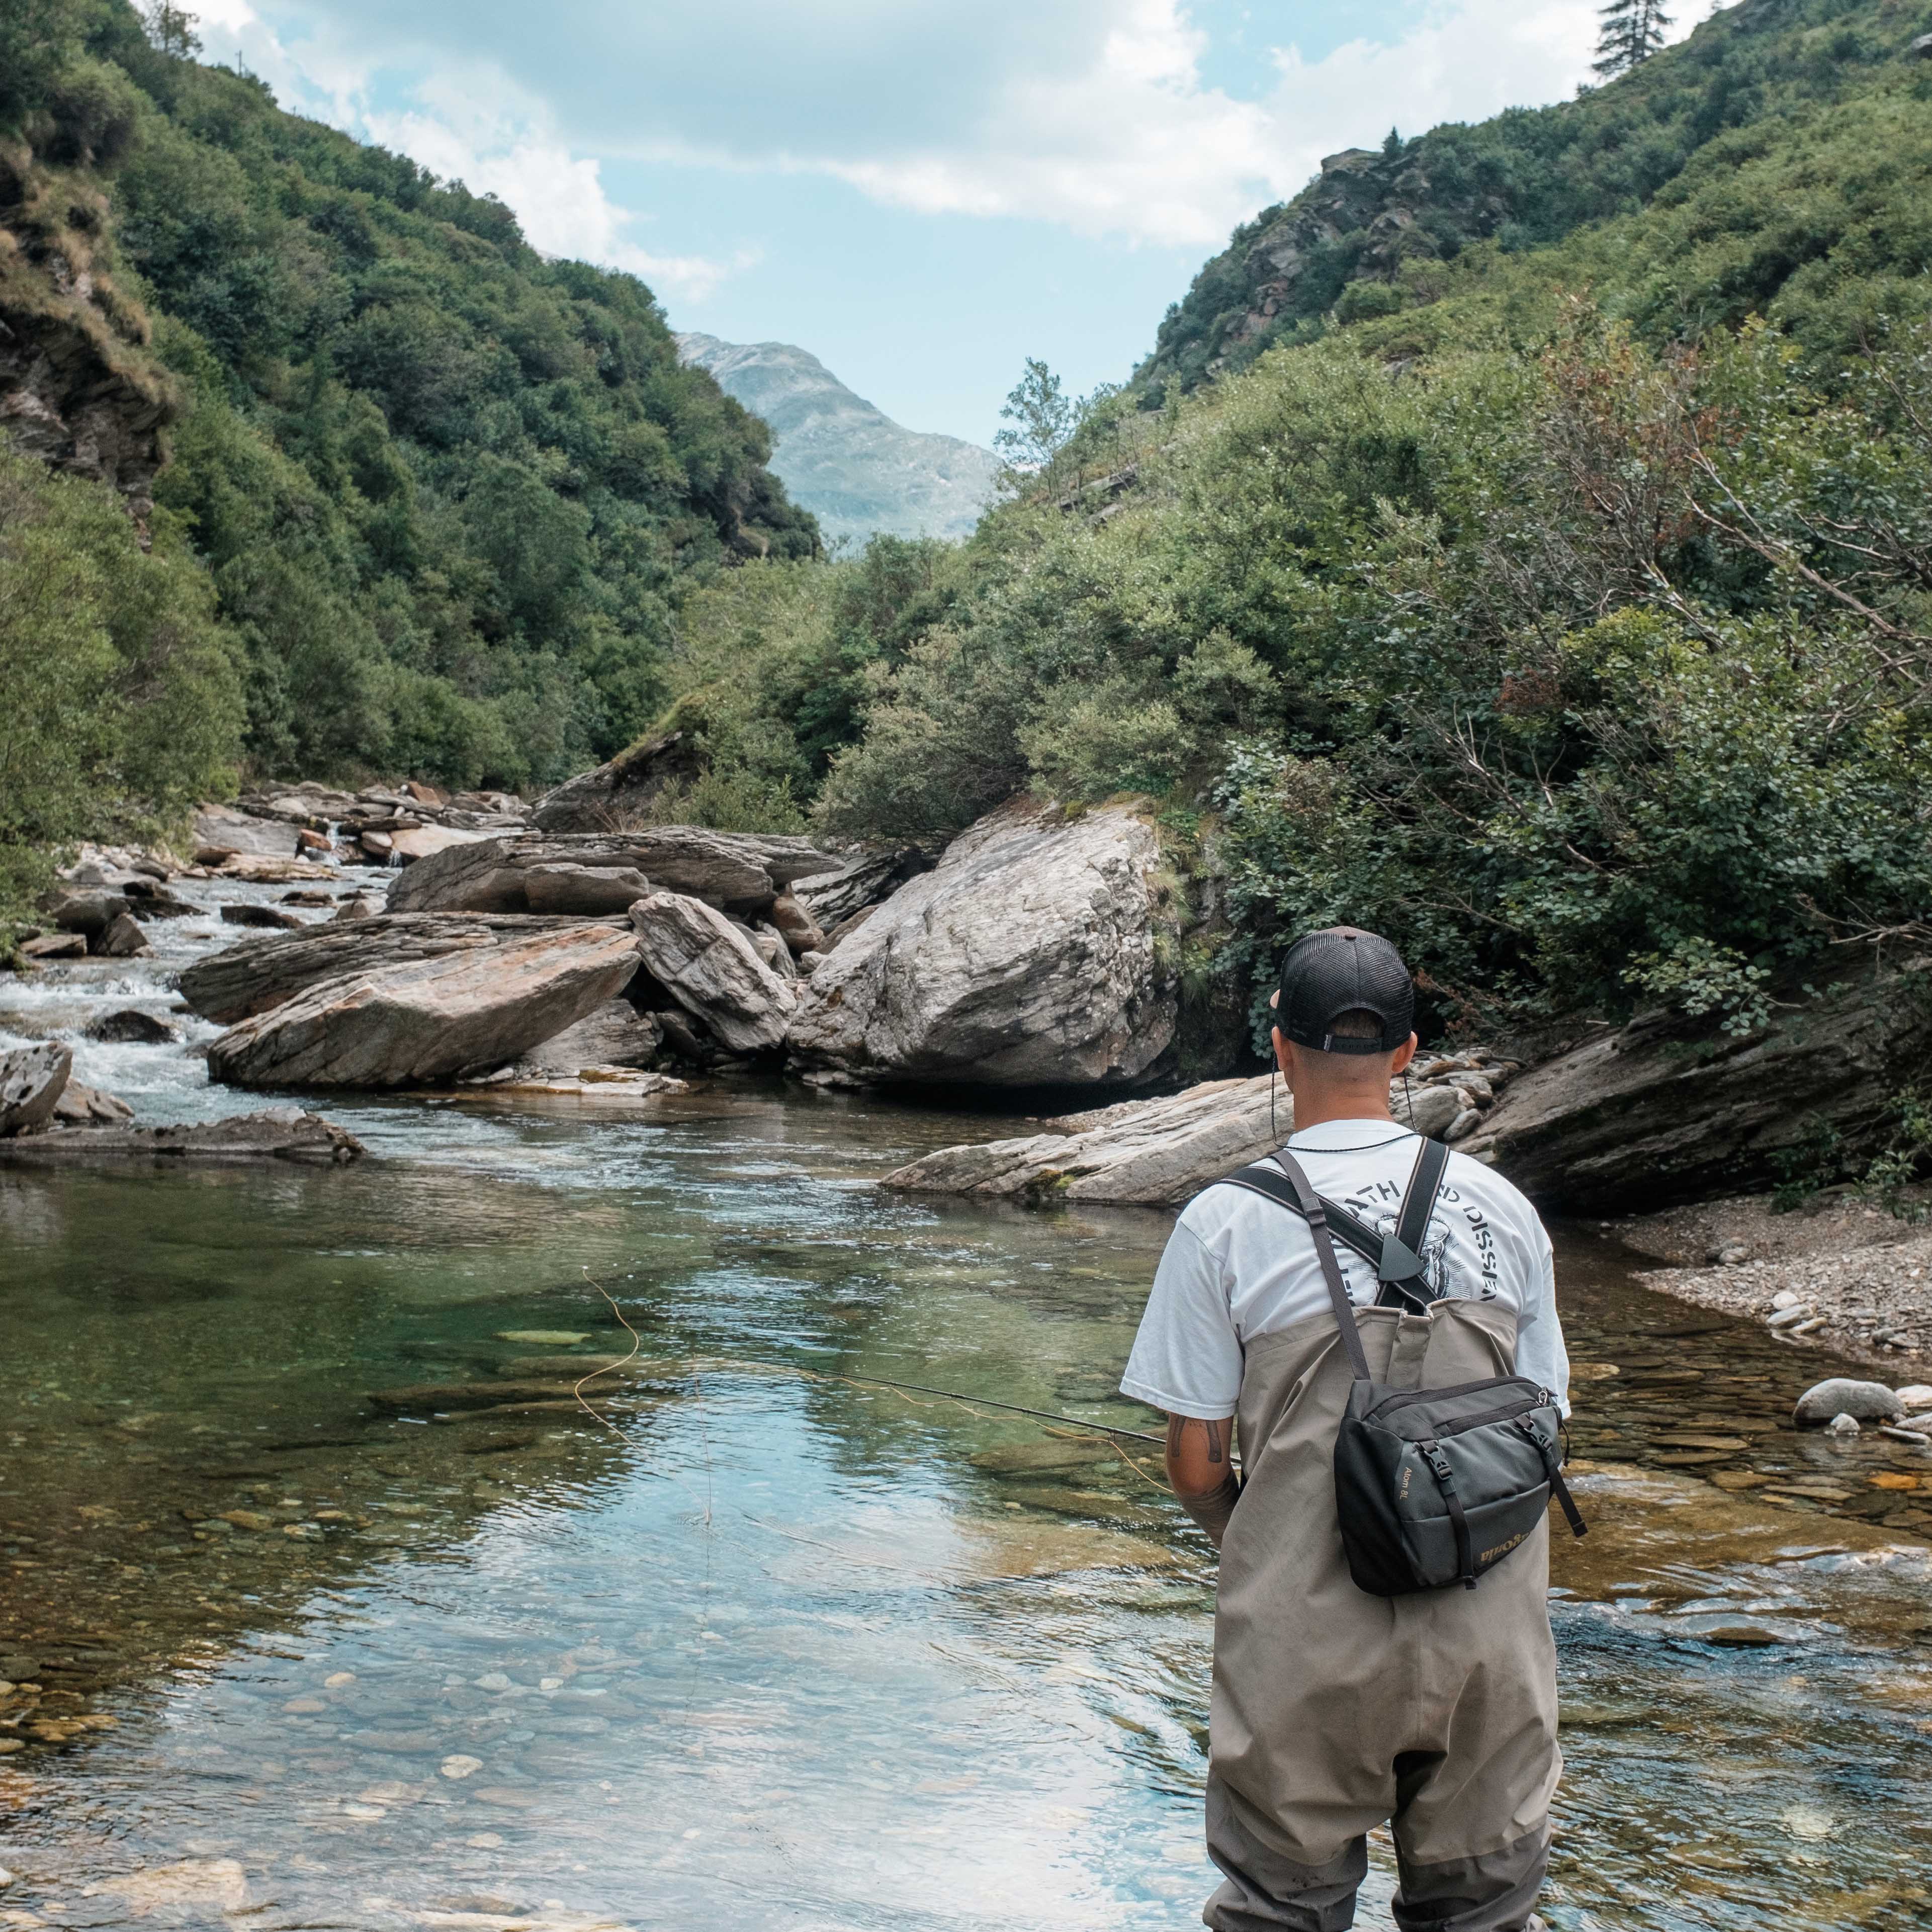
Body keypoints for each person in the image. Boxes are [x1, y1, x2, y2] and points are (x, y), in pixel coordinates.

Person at [1120, 926, 1569, 1932]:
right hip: (1486, 1638)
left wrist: (1274, 1554)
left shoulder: (1222, 1222)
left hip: (1302, 1642)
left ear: (1277, 1045)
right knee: (1485, 1909)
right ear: (1408, 1054)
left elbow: (1195, 1465)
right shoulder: (1503, 1205)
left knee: (1281, 1907)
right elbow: (1545, 1429)